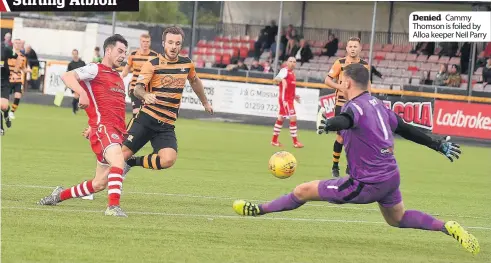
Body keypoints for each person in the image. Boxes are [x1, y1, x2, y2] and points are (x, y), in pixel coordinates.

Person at [233, 63, 479, 256]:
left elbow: (347, 120)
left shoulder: (355, 107)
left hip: (366, 183)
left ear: (347, 82)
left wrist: (329, 123)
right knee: (398, 218)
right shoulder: (378, 105)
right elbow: (405, 129)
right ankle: (448, 226)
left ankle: (259, 210)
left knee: (302, 190)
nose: (339, 84)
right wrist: (438, 145)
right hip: (390, 177)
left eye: (341, 81)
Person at [37, 34, 130, 217]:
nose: (123, 56)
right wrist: (81, 92)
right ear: (108, 50)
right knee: (119, 161)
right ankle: (113, 207)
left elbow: (108, 106)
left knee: (98, 184)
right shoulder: (95, 69)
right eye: (120, 51)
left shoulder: (118, 77)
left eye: (125, 52)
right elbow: (67, 76)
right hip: (104, 130)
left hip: (113, 132)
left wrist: (92, 124)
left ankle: (59, 196)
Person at [324, 37, 370, 178]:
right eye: (350, 46)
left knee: (356, 137)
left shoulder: (365, 65)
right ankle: (335, 165)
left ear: (360, 48)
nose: (353, 49)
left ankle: (351, 166)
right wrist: (340, 87)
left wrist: (369, 99)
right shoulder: (340, 63)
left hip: (357, 105)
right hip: (341, 104)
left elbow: (367, 84)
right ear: (347, 48)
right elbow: (327, 80)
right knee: (341, 137)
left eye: (355, 46)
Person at [121, 33, 158, 119]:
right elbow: (125, 71)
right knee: (136, 113)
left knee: (147, 115)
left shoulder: (155, 56)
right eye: (143, 41)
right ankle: (132, 132)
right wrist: (118, 78)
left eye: (147, 42)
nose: (145, 43)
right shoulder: (133, 54)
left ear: (150, 43)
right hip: (135, 88)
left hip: (148, 89)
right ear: (140, 42)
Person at [271, 56, 303, 148]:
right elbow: (276, 79)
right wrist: (282, 80)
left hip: (289, 99)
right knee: (293, 118)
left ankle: (274, 140)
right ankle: (295, 142)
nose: (292, 63)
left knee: (281, 118)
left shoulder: (292, 73)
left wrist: (294, 96)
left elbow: (291, 88)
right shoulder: (284, 71)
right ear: (287, 62)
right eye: (290, 61)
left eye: (294, 62)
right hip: (285, 100)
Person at [6, 39, 31, 120]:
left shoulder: (23, 57)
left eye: (19, 43)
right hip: (8, 79)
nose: (18, 45)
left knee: (18, 95)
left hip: (18, 79)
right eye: (16, 43)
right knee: (5, 98)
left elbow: (23, 69)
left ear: (21, 45)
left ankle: (12, 112)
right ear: (13, 44)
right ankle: (6, 111)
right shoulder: (8, 54)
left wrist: (29, 70)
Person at [0, 42, 18, 135]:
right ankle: (1, 128)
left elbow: (16, 56)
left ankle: (6, 114)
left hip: (4, 82)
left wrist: (15, 72)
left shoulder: (5, 49)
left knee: (3, 107)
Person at [66, 49, 86, 114]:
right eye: (73, 54)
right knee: (76, 96)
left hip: (82, 82)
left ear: (77, 54)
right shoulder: (70, 64)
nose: (74, 55)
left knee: (80, 97)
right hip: (74, 83)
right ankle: (74, 110)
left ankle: (76, 108)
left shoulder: (82, 63)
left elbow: (86, 72)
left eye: (75, 54)